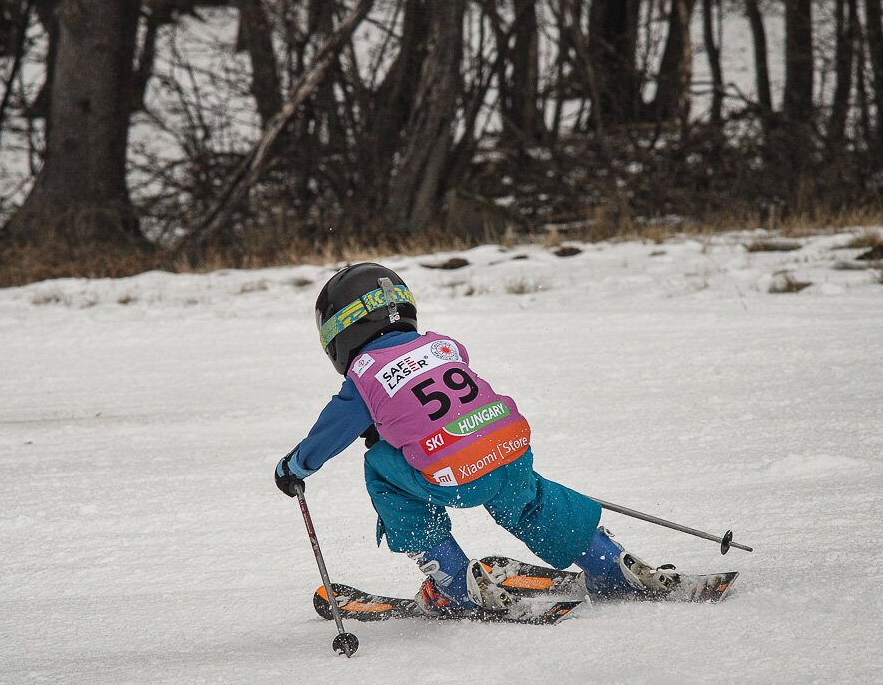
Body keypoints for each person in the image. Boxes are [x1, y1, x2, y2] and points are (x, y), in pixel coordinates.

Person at [274, 262, 679, 614]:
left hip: (454, 473)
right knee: (529, 502)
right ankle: (609, 563)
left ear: (339, 331)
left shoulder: (365, 373)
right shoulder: (443, 346)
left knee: (380, 468)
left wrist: (292, 466)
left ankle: (451, 582)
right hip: (508, 449)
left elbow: (329, 435)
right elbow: (434, 403)